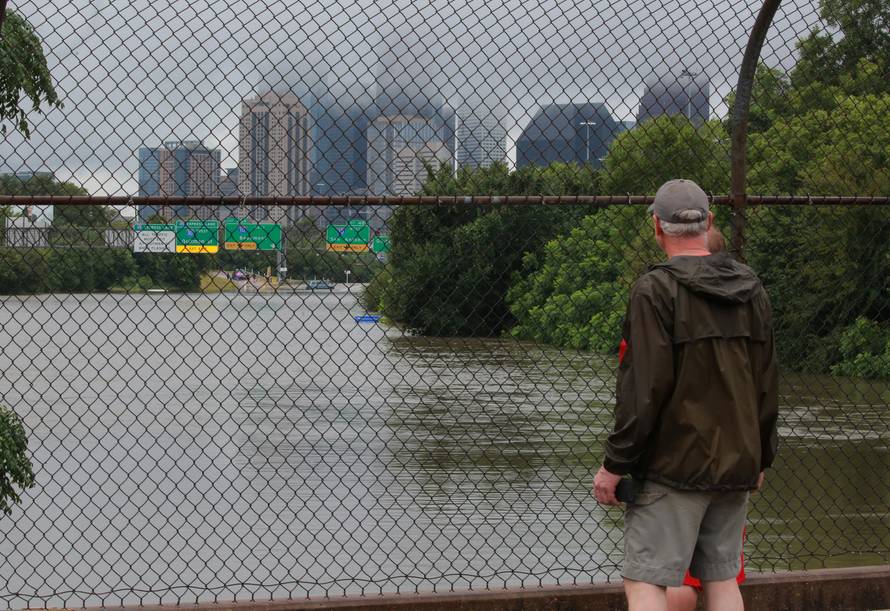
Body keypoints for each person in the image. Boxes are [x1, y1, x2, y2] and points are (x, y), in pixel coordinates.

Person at [593, 179, 779, 611]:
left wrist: (614, 465)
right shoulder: (752, 289)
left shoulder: (655, 291)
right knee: (721, 579)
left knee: (645, 582)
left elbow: (644, 390)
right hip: (737, 460)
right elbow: (766, 383)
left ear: (657, 227)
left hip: (672, 466)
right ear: (709, 220)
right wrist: (761, 456)